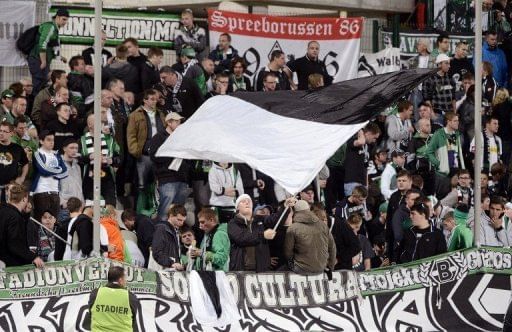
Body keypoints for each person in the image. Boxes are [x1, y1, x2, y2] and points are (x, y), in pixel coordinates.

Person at [228, 194, 294, 272]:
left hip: (261, 269)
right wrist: (263, 235)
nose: (247, 203)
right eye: (243, 201)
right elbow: (241, 238)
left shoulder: (259, 219)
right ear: (237, 207)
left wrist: (285, 206)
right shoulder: (233, 223)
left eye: (249, 201)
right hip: (241, 269)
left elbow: (275, 219)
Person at [127, 89, 165, 215]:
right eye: (152, 99)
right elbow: (131, 135)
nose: (155, 102)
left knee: (156, 185)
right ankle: (139, 213)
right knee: (141, 185)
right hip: (143, 155)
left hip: (159, 155)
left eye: (156, 99)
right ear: (145, 100)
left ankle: (155, 211)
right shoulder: (135, 115)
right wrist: (136, 151)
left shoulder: (160, 114)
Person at [149, 112, 191, 221]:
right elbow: (154, 156)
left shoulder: (182, 137)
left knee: (178, 212)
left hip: (182, 178)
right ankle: (161, 233)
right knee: (165, 211)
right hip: (167, 178)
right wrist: (172, 153)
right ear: (169, 122)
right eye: (176, 121)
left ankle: (174, 235)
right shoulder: (158, 137)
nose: (179, 124)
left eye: (180, 121)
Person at [284, 200, 336, 274]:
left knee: (279, 271)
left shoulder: (292, 228)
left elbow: (288, 253)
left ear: (295, 212)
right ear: (308, 210)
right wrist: (330, 267)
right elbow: (332, 248)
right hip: (322, 268)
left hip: (301, 269)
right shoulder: (323, 225)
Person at [80, 113, 120, 206]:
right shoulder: (82, 140)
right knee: (90, 206)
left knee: (110, 206)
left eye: (101, 121)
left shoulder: (109, 139)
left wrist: (112, 161)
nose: (101, 123)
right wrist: (89, 157)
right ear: (90, 125)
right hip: (89, 178)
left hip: (107, 176)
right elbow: (78, 159)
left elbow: (118, 157)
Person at [0, 184, 44, 267]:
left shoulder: (3, 210)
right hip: (7, 264)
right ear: (24, 199)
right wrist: (33, 257)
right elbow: (14, 244)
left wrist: (25, 214)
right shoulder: (15, 217)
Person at [423, 112, 465, 199]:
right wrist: (438, 164)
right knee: (442, 199)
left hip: (456, 172)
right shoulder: (438, 134)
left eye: (458, 121)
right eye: (455, 121)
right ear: (448, 122)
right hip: (442, 175)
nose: (458, 123)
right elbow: (428, 152)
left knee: (457, 199)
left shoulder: (457, 135)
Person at [28, 8, 69, 94]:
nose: (65, 22)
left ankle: (40, 105)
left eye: (66, 20)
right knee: (38, 85)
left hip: (42, 60)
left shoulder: (55, 29)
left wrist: (60, 57)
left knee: (43, 84)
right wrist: (43, 61)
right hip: (37, 59)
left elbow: (50, 47)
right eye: (63, 19)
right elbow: (42, 44)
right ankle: (35, 106)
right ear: (57, 17)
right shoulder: (50, 27)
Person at [31, 130, 68, 220]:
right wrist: (58, 170)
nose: (52, 142)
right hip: (41, 193)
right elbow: (43, 170)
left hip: (55, 193)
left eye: (53, 140)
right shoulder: (38, 154)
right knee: (41, 221)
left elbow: (65, 172)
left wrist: (53, 172)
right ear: (41, 141)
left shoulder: (56, 154)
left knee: (55, 222)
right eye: (48, 140)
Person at [89, 266, 139, 332]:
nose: (125, 281)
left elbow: (91, 314)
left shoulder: (95, 293)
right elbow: (133, 320)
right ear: (120, 280)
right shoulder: (130, 296)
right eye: (125, 279)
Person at [343, 122, 381, 195]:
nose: (374, 140)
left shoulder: (368, 147)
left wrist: (366, 186)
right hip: (352, 182)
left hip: (362, 183)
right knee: (353, 206)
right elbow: (361, 141)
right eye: (374, 137)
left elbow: (366, 168)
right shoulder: (353, 140)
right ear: (368, 133)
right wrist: (361, 129)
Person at [0, 121, 29, 202]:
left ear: (11, 133)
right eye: (0, 130)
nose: (1, 133)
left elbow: (25, 163)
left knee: (9, 212)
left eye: (5, 131)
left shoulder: (18, 148)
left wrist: (22, 177)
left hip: (11, 188)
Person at [152, 204, 187, 270]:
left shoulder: (175, 231)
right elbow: (157, 252)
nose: (181, 223)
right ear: (171, 215)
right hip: (162, 271)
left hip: (171, 270)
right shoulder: (162, 229)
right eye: (179, 220)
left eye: (183, 221)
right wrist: (171, 263)